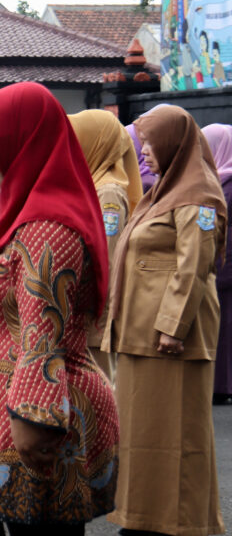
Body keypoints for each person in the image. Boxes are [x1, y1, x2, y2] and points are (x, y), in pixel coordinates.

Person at [0, 82, 119, 534]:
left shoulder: (47, 228)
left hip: (37, 416)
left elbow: (41, 336)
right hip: (15, 408)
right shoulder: (22, 218)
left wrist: (33, 420)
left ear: (22, 142)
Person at [106, 105, 228, 536]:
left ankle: (176, 522)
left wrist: (173, 327)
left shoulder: (199, 197)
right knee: (144, 437)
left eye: (150, 143)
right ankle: (143, 518)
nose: (144, 152)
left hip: (170, 339)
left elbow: (193, 266)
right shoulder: (163, 192)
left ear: (174, 143)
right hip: (141, 335)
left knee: (177, 436)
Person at [69, 109, 144, 380]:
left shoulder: (108, 193)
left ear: (96, 142)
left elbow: (106, 259)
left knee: (97, 386)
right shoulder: (92, 185)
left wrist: (99, 317)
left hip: (94, 317)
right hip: (87, 314)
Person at [203, 123, 232, 404]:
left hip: (224, 262)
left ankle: (221, 385)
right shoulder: (213, 179)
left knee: (223, 326)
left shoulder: (225, 182)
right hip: (219, 260)